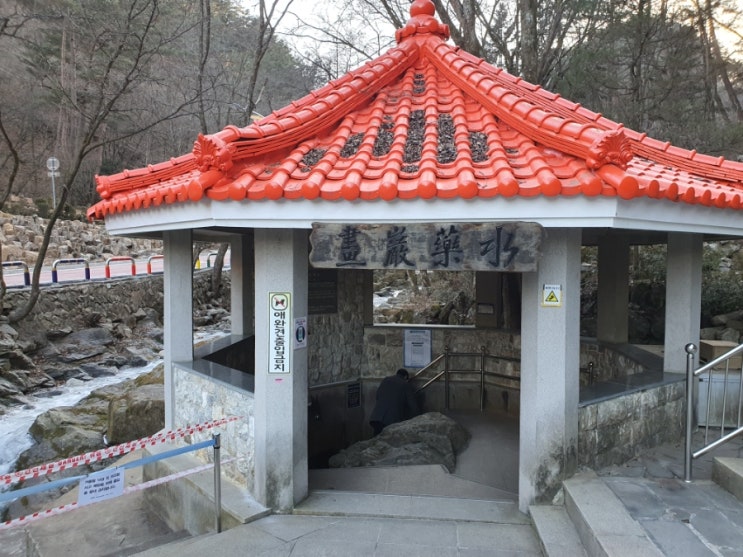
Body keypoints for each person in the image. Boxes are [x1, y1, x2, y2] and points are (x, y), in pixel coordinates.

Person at [369, 368, 420, 435]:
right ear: (405, 377)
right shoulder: (405, 384)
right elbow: (413, 405)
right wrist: (417, 419)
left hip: (377, 417)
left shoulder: (386, 380)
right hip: (391, 421)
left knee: (376, 438)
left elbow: (377, 396)